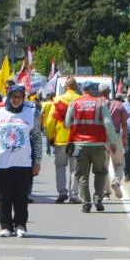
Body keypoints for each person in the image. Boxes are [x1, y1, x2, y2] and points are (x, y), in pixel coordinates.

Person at [0, 85, 42, 237]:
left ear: (23, 98)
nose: (16, 100)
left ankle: (20, 225)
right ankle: (5, 226)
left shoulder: (30, 114)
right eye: (13, 97)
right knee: (3, 197)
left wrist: (37, 161)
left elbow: (37, 139)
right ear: (8, 97)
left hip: (23, 164)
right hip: (1, 164)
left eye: (19, 97)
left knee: (21, 198)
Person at [65, 82, 120, 213]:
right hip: (98, 144)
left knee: (82, 175)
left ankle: (86, 203)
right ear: (94, 90)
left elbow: (67, 123)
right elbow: (108, 122)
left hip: (79, 145)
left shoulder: (74, 103)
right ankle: (98, 199)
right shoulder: (100, 103)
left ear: (82, 90)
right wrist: (112, 141)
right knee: (100, 172)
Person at [45, 76, 81, 204]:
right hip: (77, 139)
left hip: (60, 139)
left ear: (65, 87)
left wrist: (50, 136)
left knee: (60, 166)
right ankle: (74, 194)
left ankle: (62, 192)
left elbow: (50, 122)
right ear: (76, 87)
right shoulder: (80, 100)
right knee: (75, 168)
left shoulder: (57, 100)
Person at [99, 85, 128, 199]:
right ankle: (116, 181)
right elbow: (124, 124)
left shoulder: (97, 105)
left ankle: (106, 191)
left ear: (99, 92)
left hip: (101, 137)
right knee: (119, 163)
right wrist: (125, 138)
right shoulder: (118, 104)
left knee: (103, 165)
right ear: (109, 92)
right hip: (115, 137)